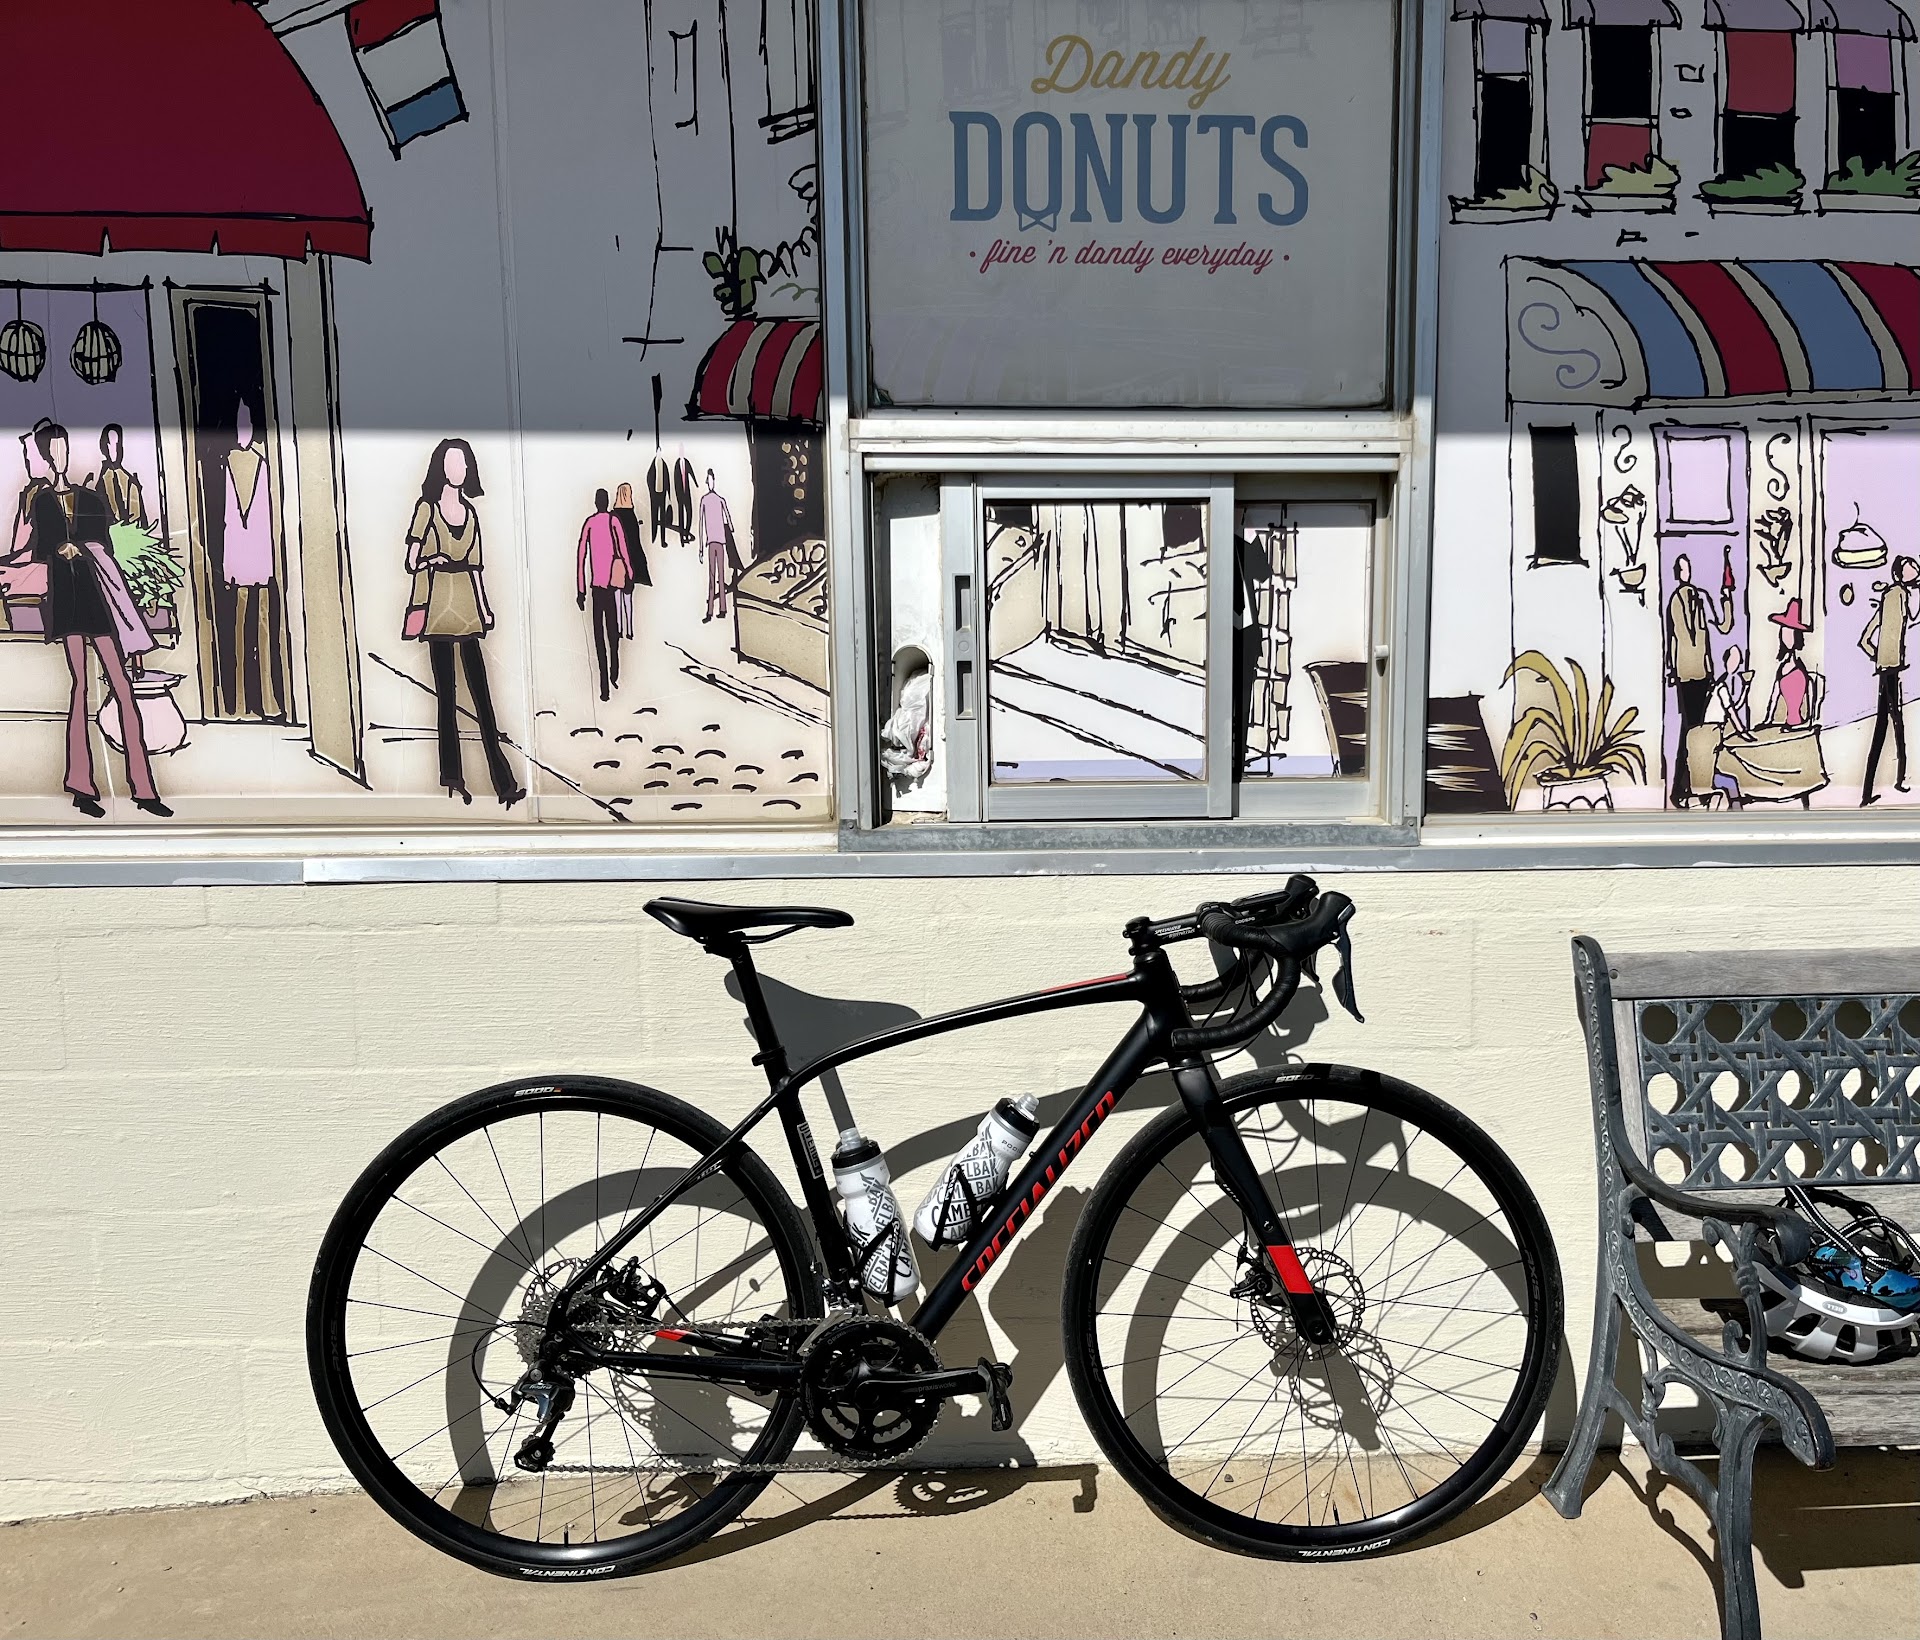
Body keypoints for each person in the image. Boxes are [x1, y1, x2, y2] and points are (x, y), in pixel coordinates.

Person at [10, 422, 166, 817]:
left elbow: (105, 542)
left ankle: (144, 788)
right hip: (67, 601)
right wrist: (57, 549)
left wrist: (77, 547)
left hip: (97, 599)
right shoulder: (42, 502)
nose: (60, 455)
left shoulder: (91, 497)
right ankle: (81, 786)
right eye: (53, 450)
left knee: (122, 684)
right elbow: (41, 547)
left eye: (63, 447)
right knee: (80, 686)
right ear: (46, 456)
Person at [404, 438, 525, 808]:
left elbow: (476, 569)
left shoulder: (471, 513)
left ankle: (504, 782)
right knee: (447, 699)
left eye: (464, 463)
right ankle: (453, 777)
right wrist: (433, 559)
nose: (459, 469)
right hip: (439, 610)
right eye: (453, 462)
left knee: (483, 699)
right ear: (440, 466)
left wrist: (485, 609)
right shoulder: (426, 508)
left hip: (468, 610)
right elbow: (411, 560)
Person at [1716, 599, 1828, 809]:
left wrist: (1810, 719)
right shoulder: (1782, 667)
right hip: (1780, 724)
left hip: (1798, 726)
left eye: (1790, 632)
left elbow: (1811, 699)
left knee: (1756, 751)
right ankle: (1740, 790)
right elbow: (1774, 699)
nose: (1786, 636)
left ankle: (1750, 791)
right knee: (1742, 746)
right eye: (1784, 632)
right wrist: (1766, 721)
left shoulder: (1801, 668)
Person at [1664, 552, 1736, 808]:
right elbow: (1672, 638)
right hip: (1685, 674)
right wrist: (1671, 668)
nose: (1684, 573)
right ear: (1677, 573)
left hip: (1704, 673)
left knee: (1698, 731)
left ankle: (1694, 785)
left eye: (1686, 568)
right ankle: (1684, 787)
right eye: (1680, 569)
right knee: (1691, 731)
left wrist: (1727, 597)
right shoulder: (1674, 601)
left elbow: (1724, 625)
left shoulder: (1703, 597)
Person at [1859, 555, 1916, 806]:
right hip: (1891, 670)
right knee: (1894, 725)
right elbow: (1908, 619)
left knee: (1886, 726)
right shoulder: (1899, 594)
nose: (1914, 570)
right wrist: (1888, 659)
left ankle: (1868, 791)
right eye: (1910, 568)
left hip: (1887, 669)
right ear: (1899, 573)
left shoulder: (1889, 595)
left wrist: (1878, 657)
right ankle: (1898, 780)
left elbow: (1865, 638)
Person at [576, 487, 637, 701]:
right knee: (612, 631)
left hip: (596, 589)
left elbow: (581, 557)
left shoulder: (589, 523)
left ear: (596, 503)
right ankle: (614, 671)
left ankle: (604, 684)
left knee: (598, 637)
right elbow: (624, 551)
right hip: (611, 587)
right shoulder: (613, 521)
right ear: (607, 502)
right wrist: (629, 575)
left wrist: (580, 590)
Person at [698, 468, 740, 623]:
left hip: (719, 541)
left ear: (714, 481)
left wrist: (728, 527)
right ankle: (710, 611)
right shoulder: (705, 500)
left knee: (720, 575)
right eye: (708, 480)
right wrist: (701, 548)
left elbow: (729, 518)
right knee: (713, 576)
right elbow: (701, 524)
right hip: (712, 542)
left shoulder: (720, 500)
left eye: (711, 480)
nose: (710, 483)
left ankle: (722, 609)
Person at [96, 424, 148, 528]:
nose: (114, 449)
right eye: (109, 444)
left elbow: (141, 518)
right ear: (104, 447)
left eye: (117, 444)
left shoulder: (130, 481)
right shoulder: (101, 481)